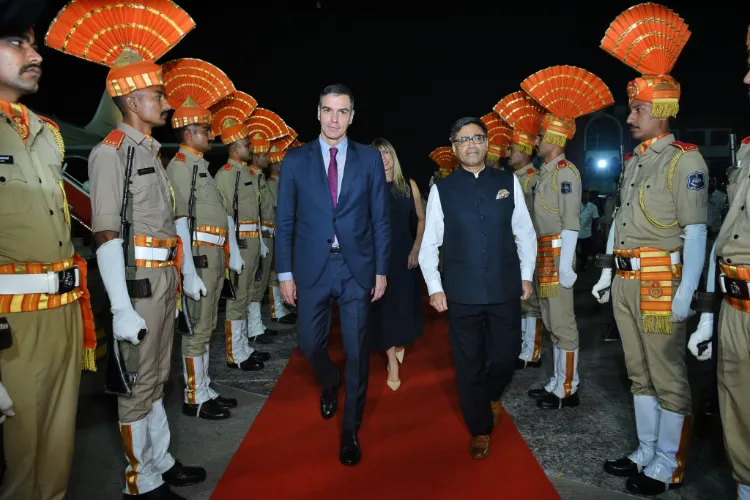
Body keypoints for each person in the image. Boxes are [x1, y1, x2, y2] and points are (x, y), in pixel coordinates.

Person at [46, 1, 207, 497]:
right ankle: (141, 481)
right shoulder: (110, 152)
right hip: (136, 286)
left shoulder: (151, 155)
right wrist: (118, 307)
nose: (166, 103)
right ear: (133, 101)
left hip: (162, 280)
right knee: (137, 385)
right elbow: (105, 232)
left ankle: (160, 461)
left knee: (156, 378)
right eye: (157, 94)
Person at [594, 5, 708, 495]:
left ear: (660, 111)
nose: (630, 115)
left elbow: (697, 230)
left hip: (662, 280)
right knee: (638, 372)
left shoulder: (686, 162)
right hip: (625, 280)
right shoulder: (636, 161)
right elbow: (620, 220)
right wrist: (604, 273)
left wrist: (688, 292)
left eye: (637, 109)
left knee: (667, 374)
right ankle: (646, 449)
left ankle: (668, 463)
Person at [0, 4, 96, 498]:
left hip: (63, 315)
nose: (35, 54)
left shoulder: (45, 135)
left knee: (58, 455)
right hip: (11, 329)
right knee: (20, 464)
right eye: (18, 42)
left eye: (34, 44)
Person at [275, 83, 391, 466]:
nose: (334, 119)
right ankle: (329, 380)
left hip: (356, 268)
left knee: (358, 352)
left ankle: (350, 431)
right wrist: (285, 273)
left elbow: (380, 219)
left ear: (352, 116)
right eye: (328, 110)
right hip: (312, 268)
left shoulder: (370, 159)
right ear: (318, 112)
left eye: (342, 112)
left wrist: (380, 270)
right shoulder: (295, 161)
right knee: (309, 344)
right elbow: (285, 221)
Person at [419, 116, 536, 459]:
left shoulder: (507, 181)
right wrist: (434, 287)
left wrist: (526, 275)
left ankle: (490, 393)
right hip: (462, 292)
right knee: (468, 363)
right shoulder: (443, 189)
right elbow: (429, 244)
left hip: (505, 287)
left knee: (506, 356)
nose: (471, 144)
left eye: (477, 138)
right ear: (454, 147)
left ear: (487, 143)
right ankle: (480, 428)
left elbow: (524, 232)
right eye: (464, 140)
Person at [520, 65, 614, 409]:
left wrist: (566, 266)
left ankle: (569, 387)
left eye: (543, 135)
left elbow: (571, 222)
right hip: (545, 252)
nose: (537, 140)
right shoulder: (546, 174)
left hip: (558, 252)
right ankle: (558, 379)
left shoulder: (565, 172)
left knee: (563, 322)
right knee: (550, 318)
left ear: (557, 138)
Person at [687, 25, 750, 500]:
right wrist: (709, 314)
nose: (746, 81)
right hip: (734, 307)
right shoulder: (747, 151)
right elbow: (724, 238)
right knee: (736, 412)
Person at [162, 58, 243, 420]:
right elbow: (179, 219)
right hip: (199, 255)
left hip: (213, 255)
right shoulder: (180, 166)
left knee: (206, 324)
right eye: (205, 130)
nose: (210, 136)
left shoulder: (199, 168)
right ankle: (194, 397)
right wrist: (189, 270)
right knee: (195, 328)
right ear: (188, 132)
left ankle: (206, 388)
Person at [211, 93, 270, 371]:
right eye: (246, 144)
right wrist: (232, 249)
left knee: (245, 297)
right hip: (240, 245)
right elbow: (227, 215)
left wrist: (260, 241)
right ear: (234, 147)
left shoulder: (248, 174)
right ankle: (236, 354)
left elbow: (255, 214)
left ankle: (245, 347)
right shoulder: (226, 174)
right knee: (236, 300)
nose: (250, 148)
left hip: (253, 242)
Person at [369, 138, 425, 391]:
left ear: (394, 155)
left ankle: (400, 343)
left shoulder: (408, 185)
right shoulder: (369, 187)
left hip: (405, 254)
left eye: (387, 152)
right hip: (379, 257)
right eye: (378, 154)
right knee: (386, 309)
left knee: (403, 305)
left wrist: (416, 247)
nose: (384, 158)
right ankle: (392, 362)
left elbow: (422, 219)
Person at [494, 90, 545, 369]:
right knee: (520, 301)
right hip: (511, 248)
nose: (507, 154)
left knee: (531, 302)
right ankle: (522, 346)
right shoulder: (513, 179)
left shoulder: (533, 179)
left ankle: (532, 351)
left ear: (525, 151)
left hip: (529, 247)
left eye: (512, 149)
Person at [243, 110, 289, 344]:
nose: (268, 159)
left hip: (267, 234)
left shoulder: (260, 178)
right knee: (253, 284)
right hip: (257, 235)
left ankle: (259, 323)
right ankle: (254, 327)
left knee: (263, 281)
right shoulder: (253, 177)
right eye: (264, 155)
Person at [266, 140, 298, 325]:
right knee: (273, 274)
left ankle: (280, 307)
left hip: (284, 230)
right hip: (273, 231)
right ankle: (276, 309)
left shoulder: (281, 181)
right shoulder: (272, 183)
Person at [577, 191, 600, 272]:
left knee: (584, 251)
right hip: (575, 232)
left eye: (586, 195)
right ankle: (574, 265)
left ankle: (583, 265)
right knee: (574, 250)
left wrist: (595, 231)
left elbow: (596, 219)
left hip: (586, 233)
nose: (584, 196)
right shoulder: (576, 205)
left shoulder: (593, 207)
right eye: (583, 195)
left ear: (589, 196)